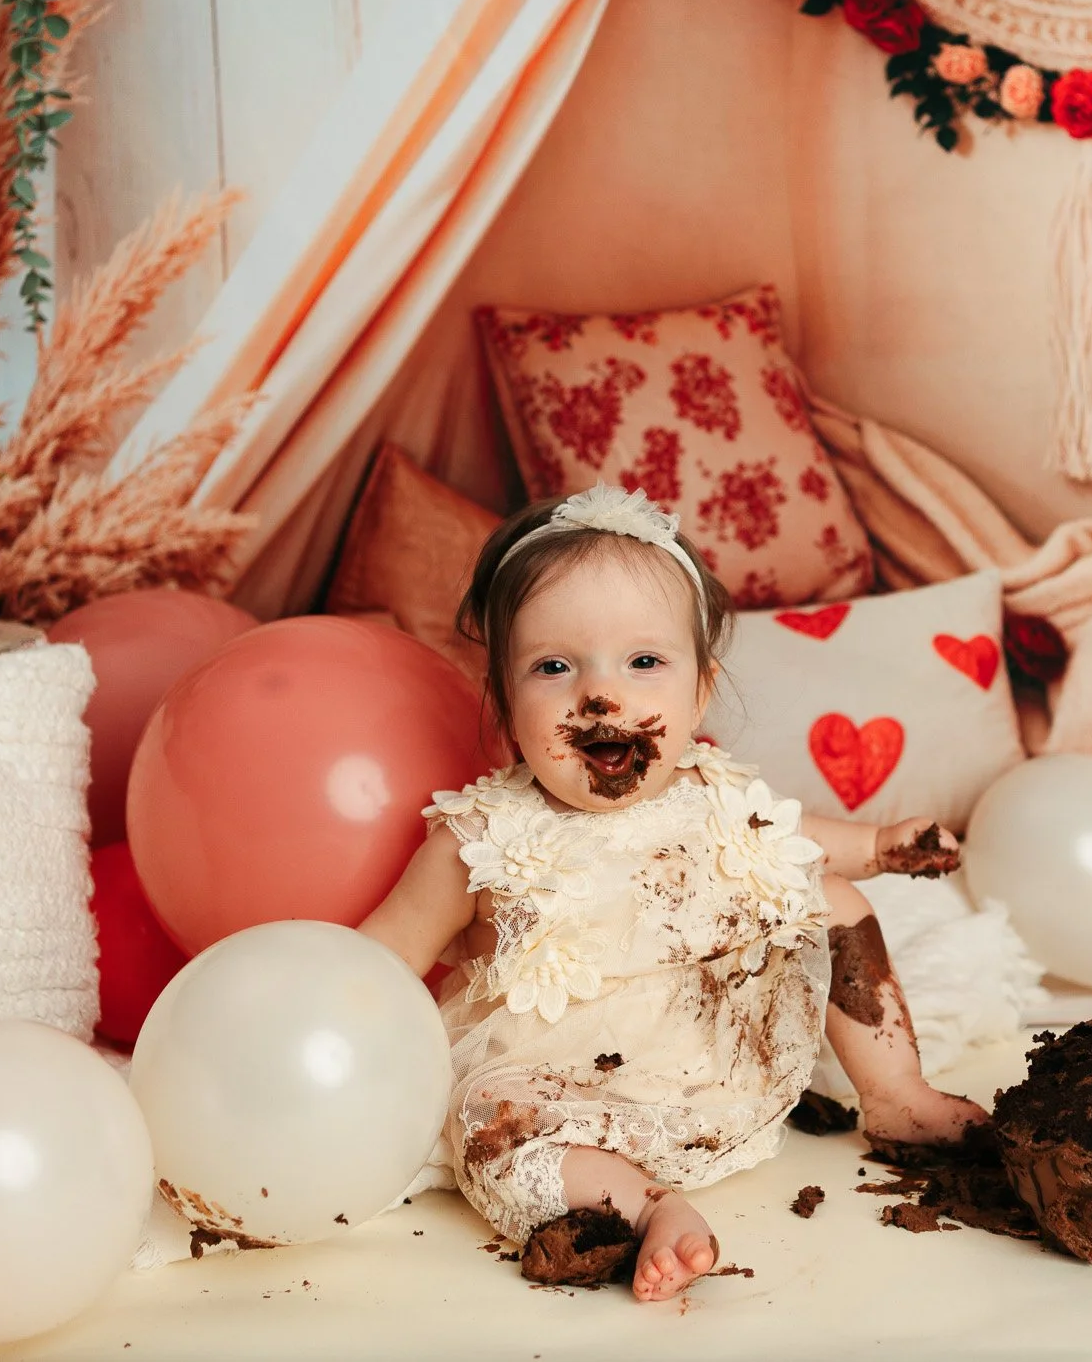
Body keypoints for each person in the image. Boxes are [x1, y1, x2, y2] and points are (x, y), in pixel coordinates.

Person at [360, 484, 981, 1302]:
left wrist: (879, 845)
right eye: (553, 666)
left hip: (711, 1052)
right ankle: (647, 1204)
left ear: (698, 691)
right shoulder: (480, 841)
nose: (602, 695)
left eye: (644, 661)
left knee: (827, 898)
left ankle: (896, 1092)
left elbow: (803, 838)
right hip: (552, 1088)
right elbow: (375, 963)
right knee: (488, 1140)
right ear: (507, 704)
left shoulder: (713, 793)